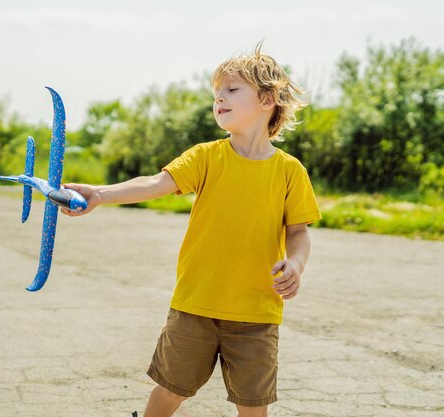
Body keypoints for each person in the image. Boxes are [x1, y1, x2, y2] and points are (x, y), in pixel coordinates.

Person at [61, 43, 321, 417]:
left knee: (253, 405)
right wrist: (100, 194)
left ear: (267, 100)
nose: (219, 98)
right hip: (195, 304)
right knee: (170, 391)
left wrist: (296, 264)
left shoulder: (289, 171)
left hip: (257, 312)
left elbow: (299, 231)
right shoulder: (205, 157)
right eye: (216, 93)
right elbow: (155, 183)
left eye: (232, 90)